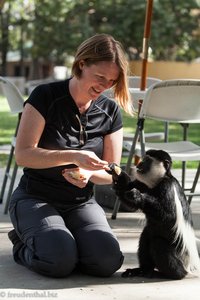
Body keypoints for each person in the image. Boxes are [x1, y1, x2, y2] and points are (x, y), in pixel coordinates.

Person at [8, 33, 132, 278]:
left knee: (107, 261)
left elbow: (111, 172)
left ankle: (60, 239)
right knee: (59, 262)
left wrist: (89, 171)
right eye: (99, 77)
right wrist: (74, 156)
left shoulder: (110, 111)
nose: (104, 86)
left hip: (81, 203)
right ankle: (23, 241)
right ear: (82, 64)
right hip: (35, 197)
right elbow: (23, 155)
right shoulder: (45, 96)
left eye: (111, 81)